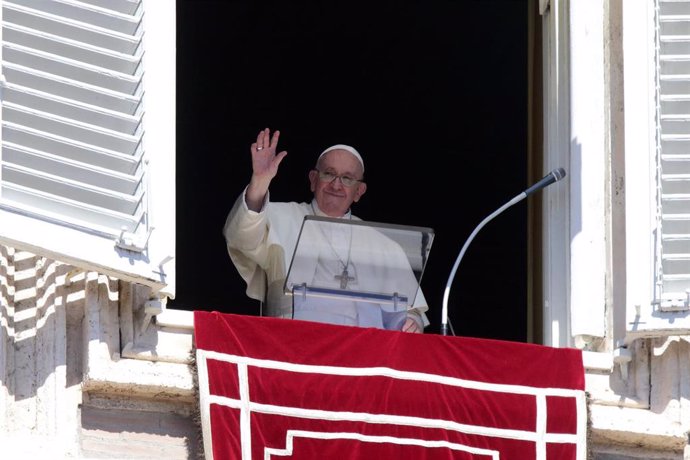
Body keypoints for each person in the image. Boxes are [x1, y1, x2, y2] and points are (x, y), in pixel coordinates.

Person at [223, 127, 429, 333]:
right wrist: (259, 182)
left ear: (359, 191)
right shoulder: (280, 217)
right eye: (329, 174)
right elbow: (241, 236)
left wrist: (412, 321)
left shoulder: (383, 246)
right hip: (292, 345)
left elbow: (409, 311)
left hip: (363, 354)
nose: (336, 185)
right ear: (313, 180)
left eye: (347, 178)